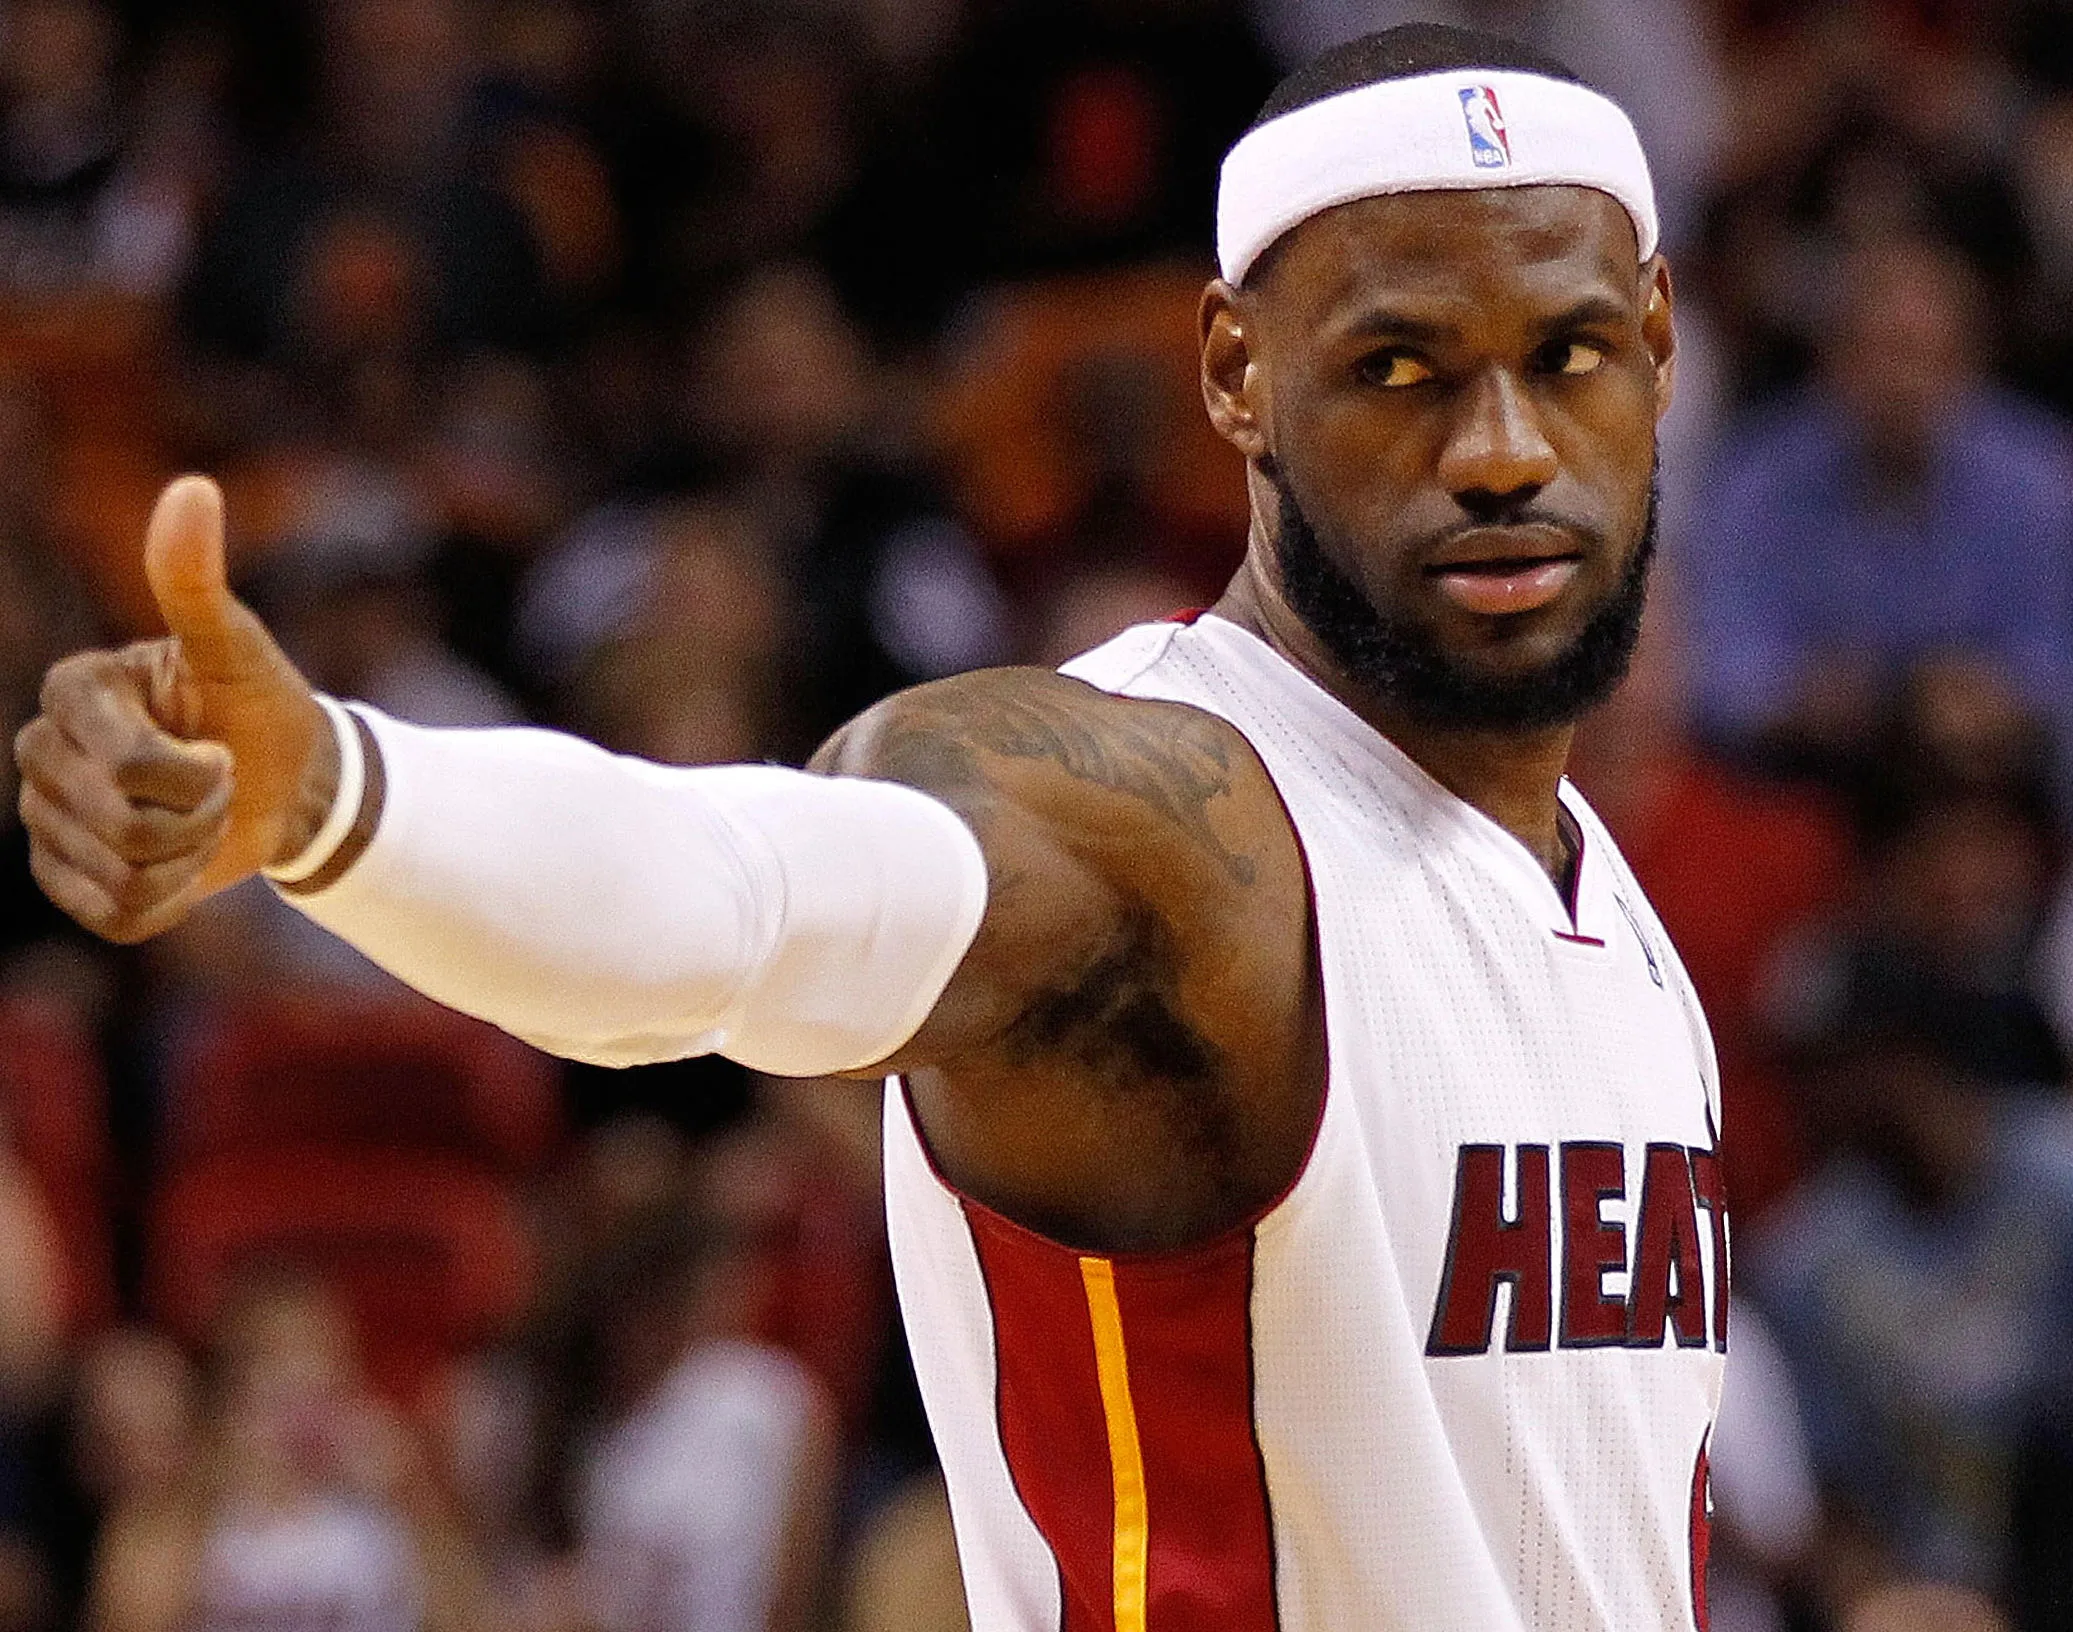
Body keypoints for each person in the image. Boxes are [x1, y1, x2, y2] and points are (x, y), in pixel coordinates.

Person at [16, 24, 1721, 1630]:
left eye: (1566, 358)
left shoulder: (1619, 925)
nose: (1501, 451)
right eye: (1397, 367)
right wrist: (339, 792)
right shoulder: (1161, 831)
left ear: (1655, 348)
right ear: (1234, 374)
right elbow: (749, 895)